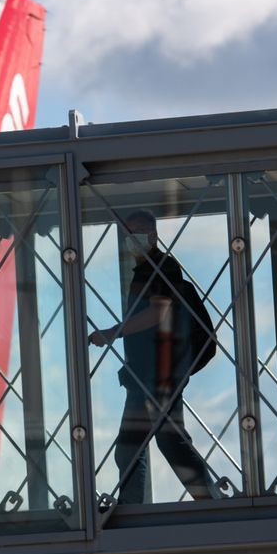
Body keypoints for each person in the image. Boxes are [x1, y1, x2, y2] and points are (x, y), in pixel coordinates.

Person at [88, 211, 219, 503]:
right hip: (149, 374)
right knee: (142, 445)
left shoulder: (161, 267)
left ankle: (209, 502)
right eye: (128, 234)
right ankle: (199, 501)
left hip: (157, 374)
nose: (132, 240)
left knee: (161, 442)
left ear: (154, 235)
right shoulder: (146, 270)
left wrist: (113, 332)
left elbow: (159, 312)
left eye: (139, 232)